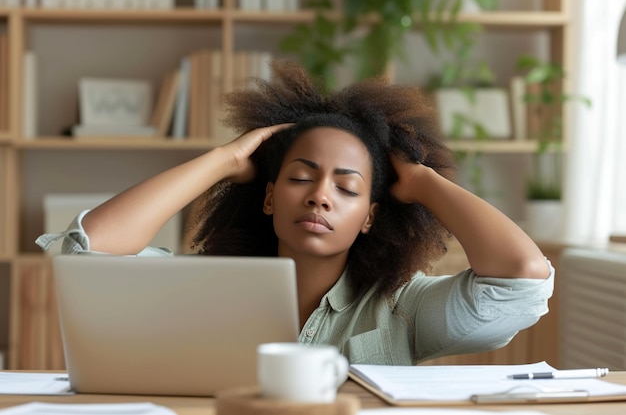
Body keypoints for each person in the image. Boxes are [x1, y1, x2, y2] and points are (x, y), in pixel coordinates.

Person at [36, 60, 554, 365]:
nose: (320, 196)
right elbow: (86, 252)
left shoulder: (404, 308)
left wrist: (421, 181)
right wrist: (224, 160)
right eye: (301, 178)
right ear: (267, 197)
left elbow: (521, 280)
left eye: (347, 189)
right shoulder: (203, 288)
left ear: (370, 217)